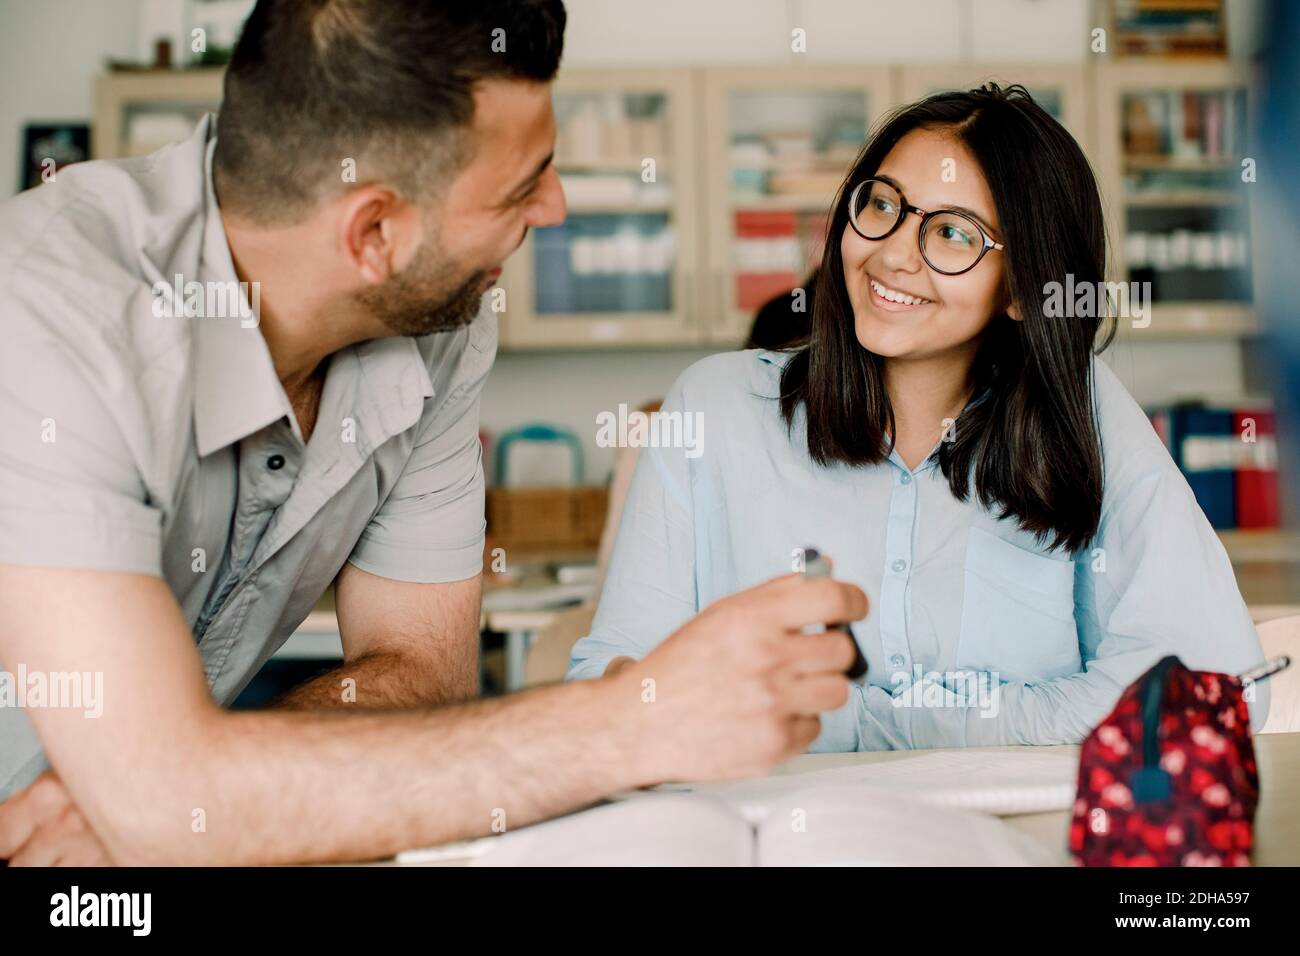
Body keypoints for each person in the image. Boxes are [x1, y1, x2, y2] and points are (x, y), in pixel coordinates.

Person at [0, 0, 863, 865]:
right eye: (525, 185)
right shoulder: (46, 321)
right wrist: (638, 721)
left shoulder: (440, 320)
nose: (556, 208)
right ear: (374, 233)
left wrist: (213, 783)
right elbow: (166, 801)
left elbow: (419, 677)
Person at [568, 84, 1271, 750]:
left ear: (1022, 289)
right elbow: (614, 678)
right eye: (882, 206)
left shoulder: (1077, 412)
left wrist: (858, 722)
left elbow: (1214, 689)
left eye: (954, 235)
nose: (895, 255)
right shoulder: (715, 408)